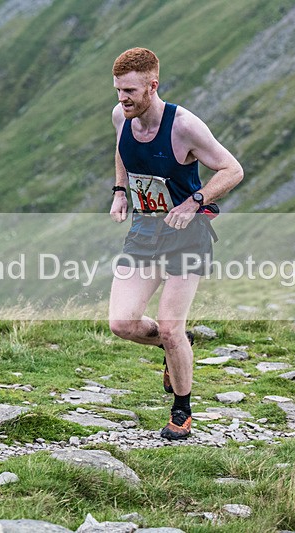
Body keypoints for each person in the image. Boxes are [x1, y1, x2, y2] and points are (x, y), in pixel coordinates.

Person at [108, 47, 243, 440]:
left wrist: (195, 201)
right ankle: (173, 350)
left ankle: (181, 410)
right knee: (122, 323)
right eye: (118, 90)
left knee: (170, 326)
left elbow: (232, 168)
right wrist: (120, 190)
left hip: (188, 234)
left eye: (130, 90)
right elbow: (122, 148)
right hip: (145, 231)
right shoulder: (122, 116)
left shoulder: (184, 126)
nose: (122, 98)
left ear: (153, 85)